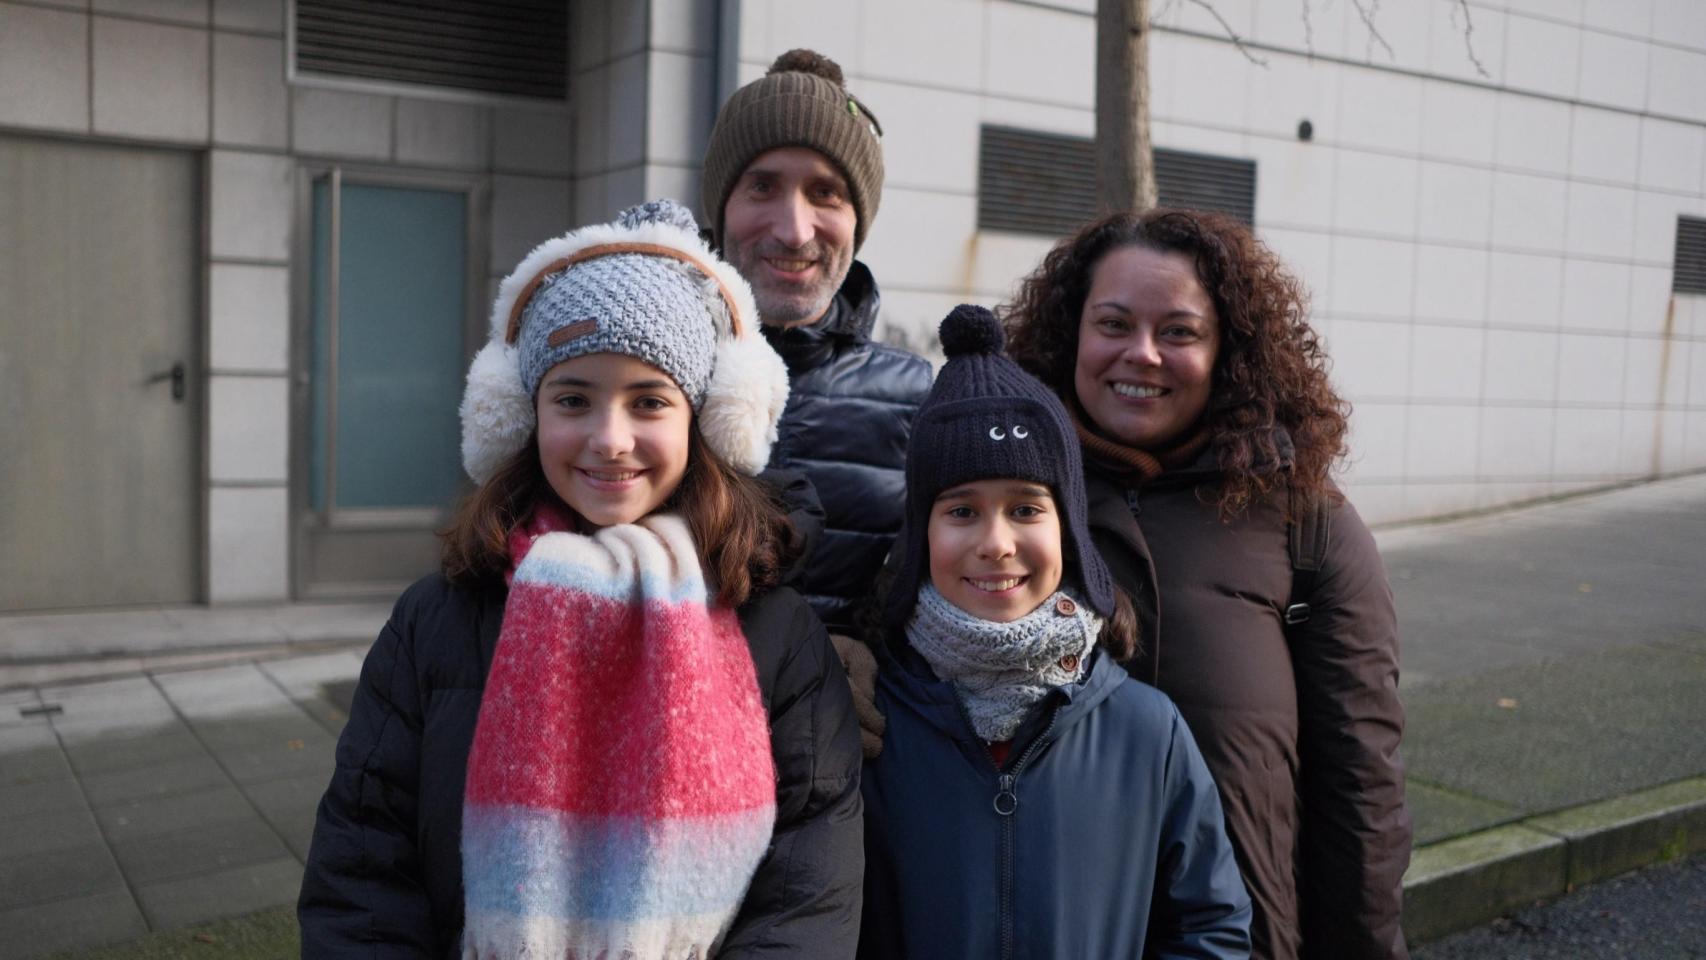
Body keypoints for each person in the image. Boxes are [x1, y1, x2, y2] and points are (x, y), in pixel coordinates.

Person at [297, 200, 863, 958]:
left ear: (706, 420)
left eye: (649, 401)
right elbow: (363, 870)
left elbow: (806, 896)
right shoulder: (437, 619)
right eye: (573, 399)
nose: (609, 439)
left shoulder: (780, 631)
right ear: (521, 414)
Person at [1002, 208, 1412, 960]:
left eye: (1180, 332)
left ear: (1229, 352)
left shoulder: (1306, 525)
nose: (1142, 354)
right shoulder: (998, 504)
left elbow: (1361, 788)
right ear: (1071, 333)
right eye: (1114, 324)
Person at [858, 304, 1252, 958]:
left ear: (1066, 530)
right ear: (921, 532)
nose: (996, 543)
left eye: (1025, 508)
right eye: (961, 511)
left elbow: (1209, 926)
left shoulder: (1147, 731)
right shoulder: (869, 727)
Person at [701, 48, 932, 636]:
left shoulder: (919, 401)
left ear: (858, 221)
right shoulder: (636, 376)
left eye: (826, 193)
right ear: (721, 207)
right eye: (762, 186)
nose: (793, 230)